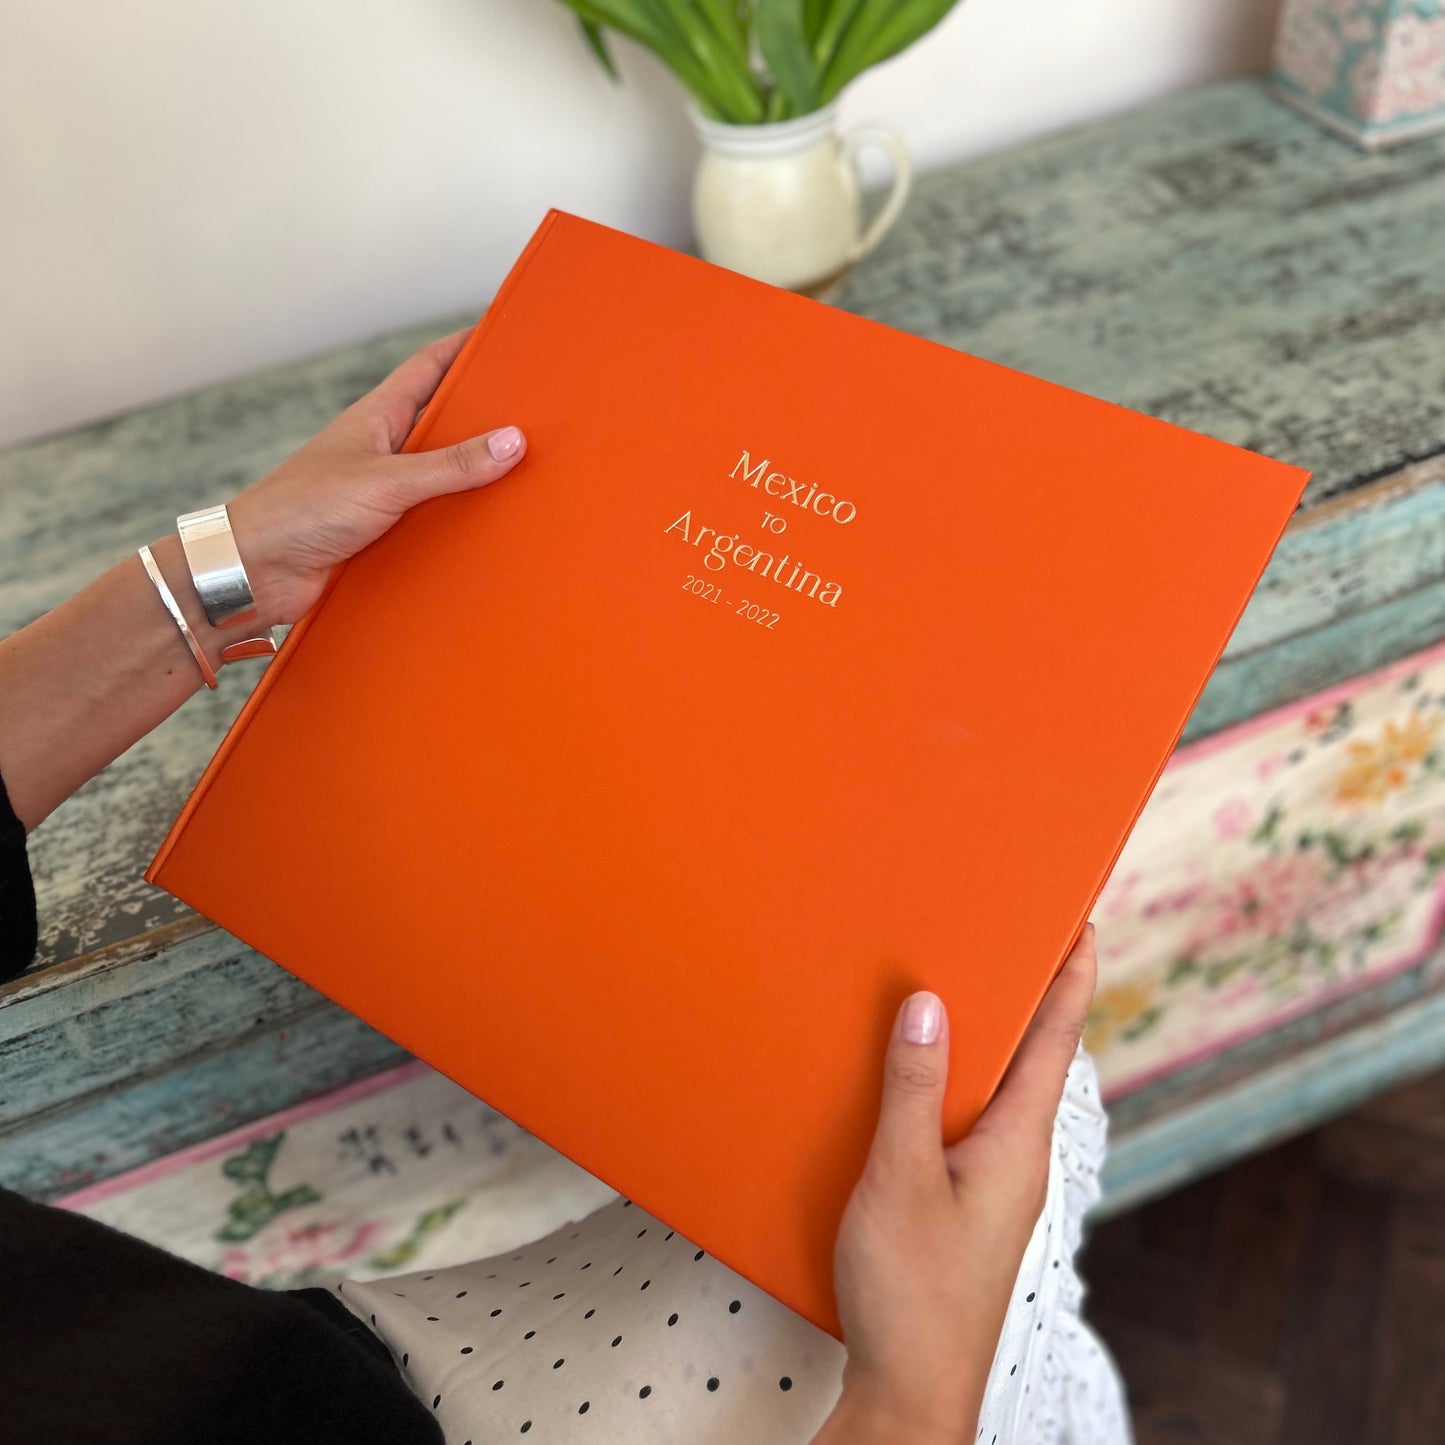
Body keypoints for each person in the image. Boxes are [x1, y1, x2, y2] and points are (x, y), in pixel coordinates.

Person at [0, 328, 1131, 1444]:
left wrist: (211, 570)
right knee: (981, 1114)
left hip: (253, 1363)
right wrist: (916, 1397)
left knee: (945, 1087)